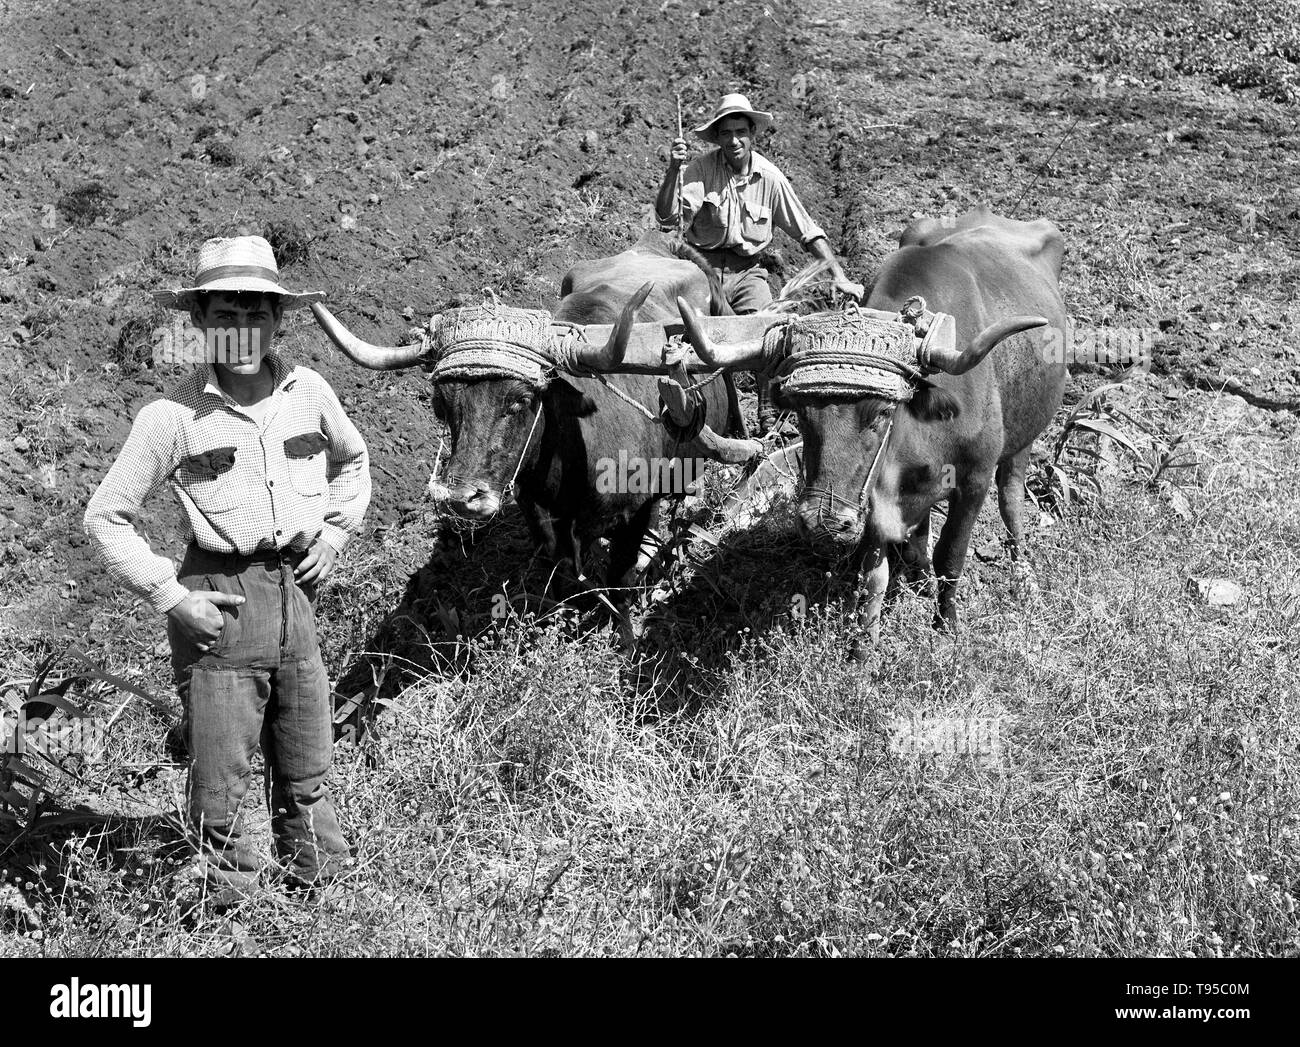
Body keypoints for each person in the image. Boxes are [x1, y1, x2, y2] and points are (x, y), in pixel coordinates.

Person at [84, 235, 371, 898]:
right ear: (200, 321)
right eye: (225, 312)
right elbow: (104, 517)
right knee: (220, 777)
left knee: (307, 758)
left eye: (256, 310)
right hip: (216, 596)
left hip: (294, 594)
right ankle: (225, 910)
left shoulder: (310, 393)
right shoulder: (172, 416)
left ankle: (318, 888)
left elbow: (353, 462)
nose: (242, 326)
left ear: (278, 319)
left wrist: (333, 532)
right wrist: (172, 596)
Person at [655, 93, 865, 431]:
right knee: (681, 333)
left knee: (769, 328)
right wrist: (672, 171)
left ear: (753, 134)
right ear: (718, 137)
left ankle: (768, 412)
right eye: (726, 133)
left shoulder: (770, 178)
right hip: (699, 268)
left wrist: (838, 275)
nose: (734, 140)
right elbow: (668, 219)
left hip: (746, 270)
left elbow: (808, 232)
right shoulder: (699, 171)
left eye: (740, 132)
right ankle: (693, 408)